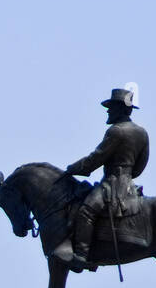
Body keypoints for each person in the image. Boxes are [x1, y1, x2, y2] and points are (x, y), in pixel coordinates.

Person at [59, 88, 150, 272]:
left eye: (111, 107)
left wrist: (72, 169)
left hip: (113, 184)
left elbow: (95, 159)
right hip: (129, 183)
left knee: (86, 211)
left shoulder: (116, 131)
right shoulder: (142, 132)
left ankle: (81, 255)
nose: (108, 111)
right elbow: (141, 164)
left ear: (122, 109)